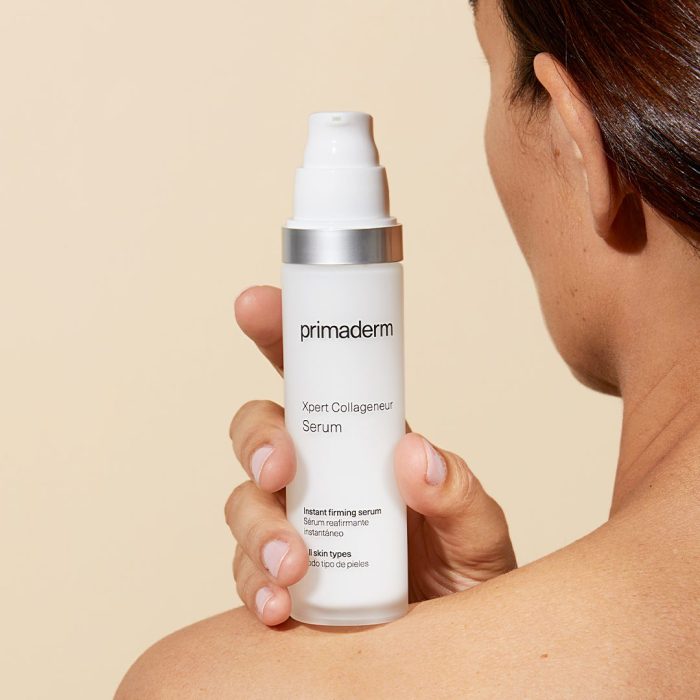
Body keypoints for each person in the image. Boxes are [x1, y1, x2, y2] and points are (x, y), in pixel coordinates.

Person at [115, 0, 700, 695]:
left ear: (579, 145)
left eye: (491, 72)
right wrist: (465, 629)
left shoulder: (211, 685)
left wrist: (412, 665)